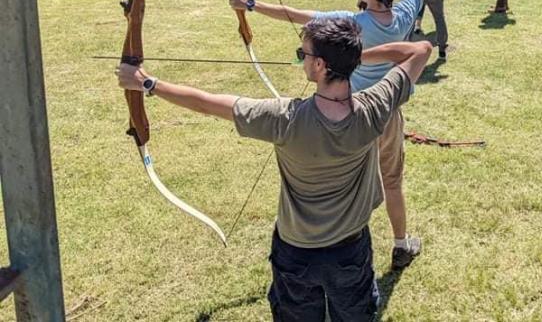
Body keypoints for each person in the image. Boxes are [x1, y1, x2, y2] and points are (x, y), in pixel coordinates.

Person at [116, 18, 433, 321]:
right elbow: (420, 50)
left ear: (320, 65)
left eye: (303, 54)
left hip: (296, 252)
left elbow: (206, 103)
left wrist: (146, 82)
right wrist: (349, 57)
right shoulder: (376, 107)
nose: (302, 60)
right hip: (350, 249)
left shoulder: (285, 119)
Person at [229, 0, 432, 271]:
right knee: (391, 182)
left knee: (342, 180)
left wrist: (250, 4)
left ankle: (334, 244)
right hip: (385, 112)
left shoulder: (352, 22)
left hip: (351, 116)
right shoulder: (404, 14)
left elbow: (295, 15)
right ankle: (401, 244)